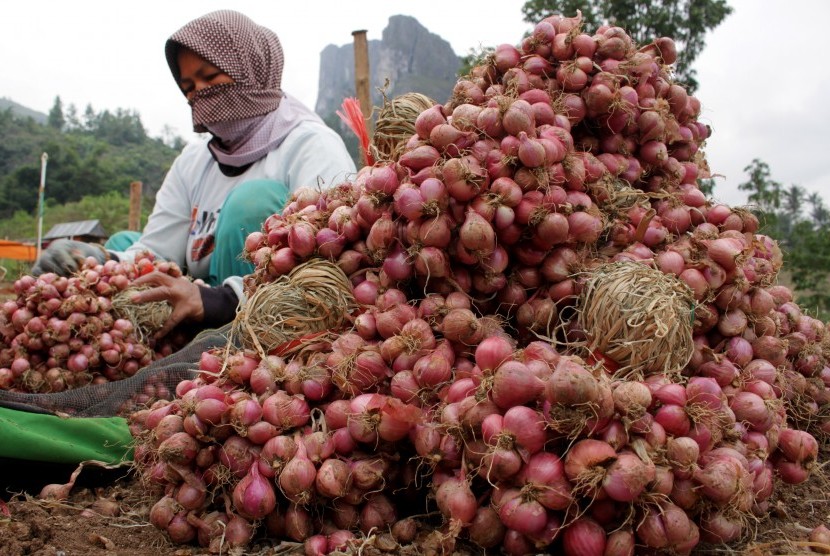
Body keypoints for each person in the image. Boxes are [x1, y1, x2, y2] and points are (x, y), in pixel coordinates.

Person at [32, 10, 356, 338]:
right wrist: (98, 258)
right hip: (203, 295)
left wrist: (221, 299)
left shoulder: (311, 144)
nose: (198, 94)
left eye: (210, 77)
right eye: (188, 86)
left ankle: (239, 336)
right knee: (121, 243)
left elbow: (330, 259)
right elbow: (156, 249)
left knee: (251, 201)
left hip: (277, 314)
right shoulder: (195, 159)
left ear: (251, 69)